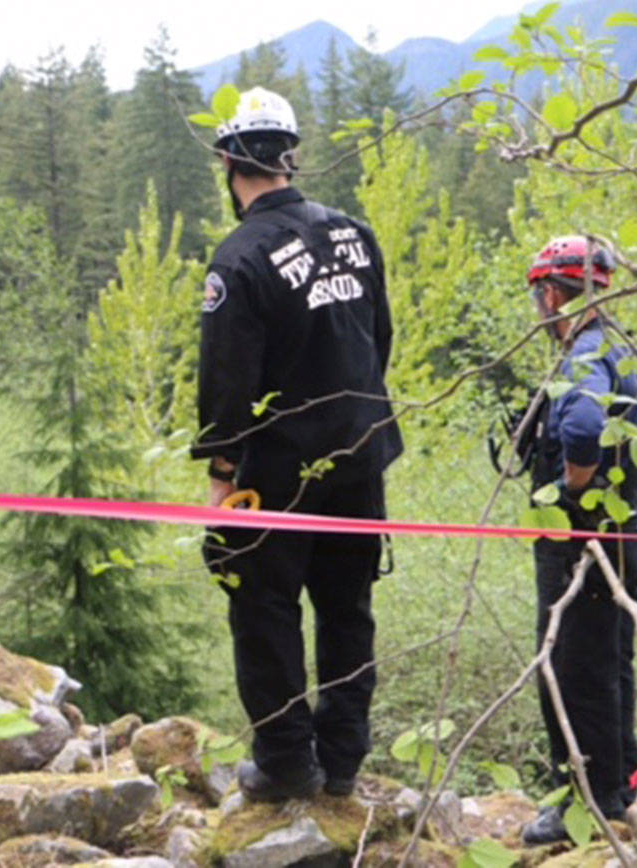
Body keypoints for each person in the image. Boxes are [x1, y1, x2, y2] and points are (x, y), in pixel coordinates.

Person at [190, 86, 403, 802]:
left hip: (277, 471)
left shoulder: (239, 259)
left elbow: (227, 387)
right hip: (362, 454)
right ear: (289, 156)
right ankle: (341, 759)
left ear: (229, 162)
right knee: (347, 607)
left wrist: (223, 481)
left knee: (263, 608)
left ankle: (285, 761)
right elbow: (379, 343)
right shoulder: (353, 232)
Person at [519, 236, 637, 844]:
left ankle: (583, 803)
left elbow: (581, 424)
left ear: (553, 295)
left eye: (541, 298)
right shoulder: (625, 351)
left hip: (581, 537)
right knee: (610, 661)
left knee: (571, 667)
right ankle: (619, 784)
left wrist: (573, 486)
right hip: (626, 530)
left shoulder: (585, 355)